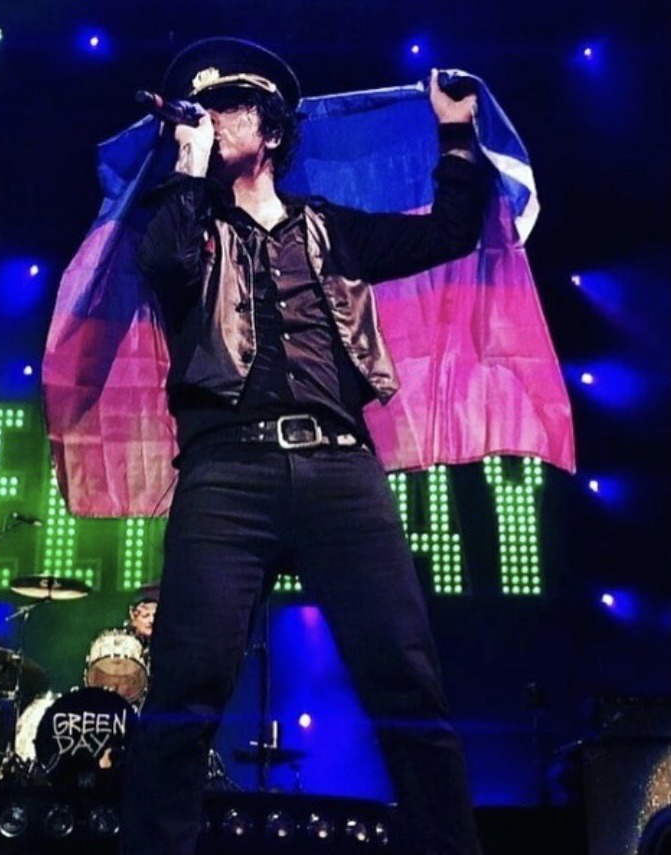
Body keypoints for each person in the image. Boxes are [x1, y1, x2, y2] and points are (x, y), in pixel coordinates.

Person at [118, 37, 487, 855]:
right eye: (201, 108)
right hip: (226, 474)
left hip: (338, 469)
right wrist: (186, 166)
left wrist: (455, 132)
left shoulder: (329, 228)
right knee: (186, 686)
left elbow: (451, 232)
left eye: (230, 105)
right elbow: (162, 263)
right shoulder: (186, 222)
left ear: (274, 129)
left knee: (406, 681)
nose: (211, 118)